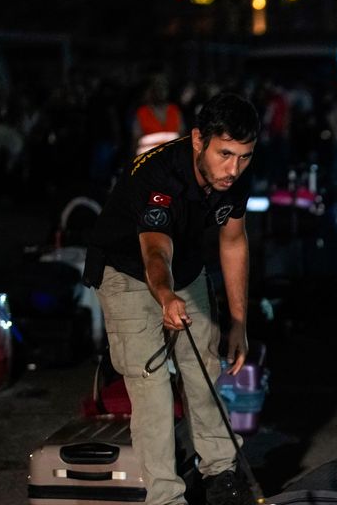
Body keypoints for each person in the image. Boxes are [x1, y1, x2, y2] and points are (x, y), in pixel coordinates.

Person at [83, 92, 259, 505]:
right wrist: (164, 296)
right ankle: (165, 498)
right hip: (127, 271)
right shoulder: (158, 177)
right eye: (225, 154)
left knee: (204, 373)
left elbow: (233, 243)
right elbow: (155, 251)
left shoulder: (236, 174)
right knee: (153, 389)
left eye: (245, 156)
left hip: (187, 268)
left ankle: (221, 476)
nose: (233, 169)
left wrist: (238, 323)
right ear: (199, 140)